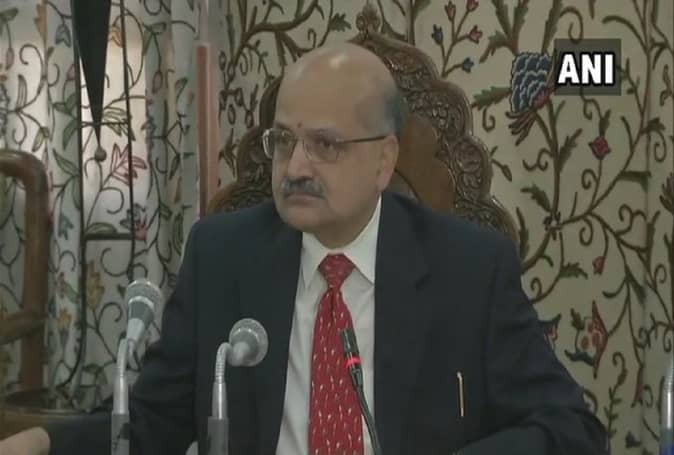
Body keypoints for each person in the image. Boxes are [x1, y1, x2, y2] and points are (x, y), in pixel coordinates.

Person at [0, 42, 607, 455]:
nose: (295, 168)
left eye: (325, 145)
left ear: (384, 160)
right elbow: (155, 416)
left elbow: (569, 428)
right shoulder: (223, 256)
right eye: (284, 141)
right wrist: (42, 442)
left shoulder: (469, 268)